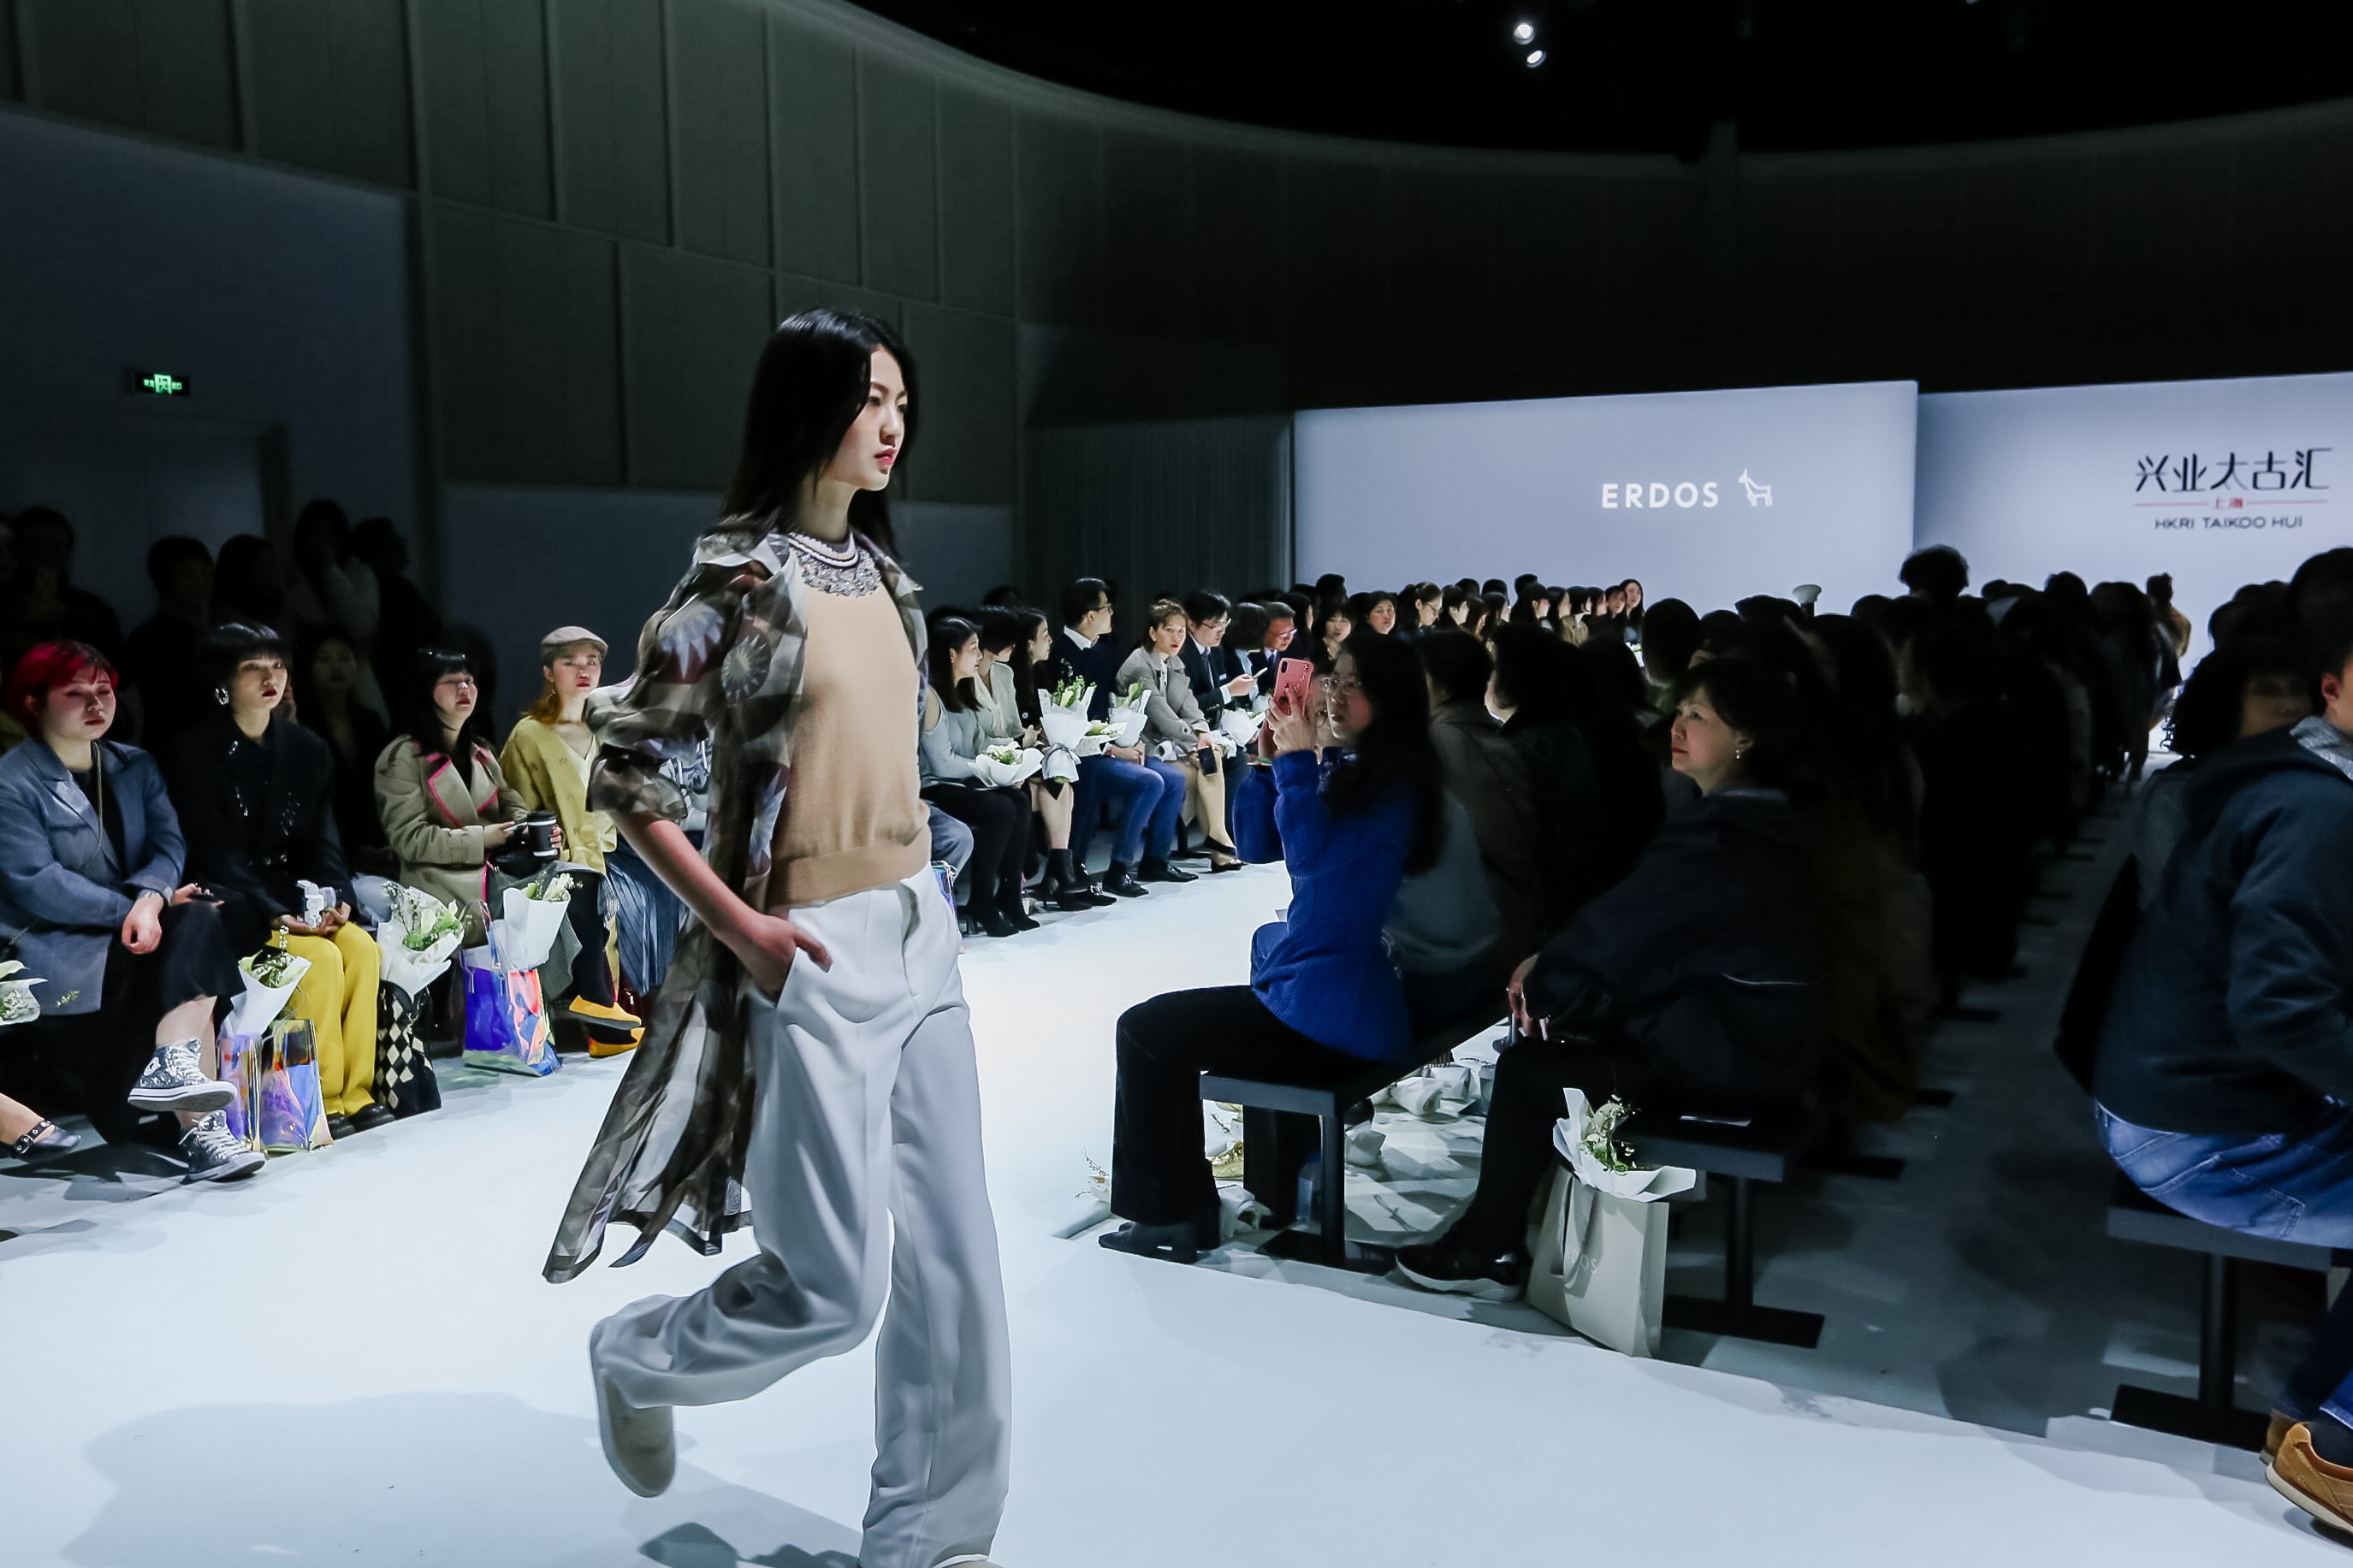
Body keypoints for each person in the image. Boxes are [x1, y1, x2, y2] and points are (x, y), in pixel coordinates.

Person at [548, 310, 1009, 1568]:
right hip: (809, 947)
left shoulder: (888, 580)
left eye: (901, 400)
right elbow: (627, 773)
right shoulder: (741, 582)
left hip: (921, 933)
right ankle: (637, 1356)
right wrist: (742, 924)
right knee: (832, 1290)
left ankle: (931, 1537)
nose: (892, 423)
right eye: (869, 397)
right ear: (807, 407)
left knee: (958, 1261)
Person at [1397, 656, 1825, 1299]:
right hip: (1763, 1041)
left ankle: (1487, 1247)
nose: (1677, 725)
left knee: (1527, 1071)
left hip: (1729, 1058)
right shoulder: (1767, 819)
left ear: (1745, 737)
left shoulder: (1725, 834)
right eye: (1680, 709)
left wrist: (1548, 981)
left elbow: (1623, 930)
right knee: (1570, 1035)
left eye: (1698, 715)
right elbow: (1640, 929)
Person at [2095, 610, 2353, 1529]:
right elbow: (2279, 1008)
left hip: (2180, 1094)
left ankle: (2312, 1419)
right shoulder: (2319, 807)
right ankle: (2337, 1449)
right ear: (2333, 690)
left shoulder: (2290, 779)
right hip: (2195, 1126)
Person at [1100, 629, 1446, 1262]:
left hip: (1334, 1011)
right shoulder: (1355, 770)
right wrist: (1266, 765)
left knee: (1146, 1031)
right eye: (1334, 678)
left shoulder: (1394, 786)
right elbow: (1256, 844)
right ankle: (1193, 1207)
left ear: (1392, 700)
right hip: (1318, 994)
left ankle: (1172, 1215)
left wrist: (1297, 762)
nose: (1334, 694)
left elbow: (1312, 859)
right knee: (1170, 1024)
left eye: (1355, 684)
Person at [0, 641, 259, 1180]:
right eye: (76, 693)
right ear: (32, 701)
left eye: (104, 690)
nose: (96, 704)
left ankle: (179, 1076)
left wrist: (151, 899)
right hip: (56, 949)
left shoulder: (133, 764)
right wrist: (133, 910)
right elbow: (36, 883)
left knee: (202, 916)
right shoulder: (11, 780)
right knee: (193, 940)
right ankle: (201, 1130)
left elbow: (168, 845)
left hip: (135, 931)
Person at [160, 624, 386, 1135]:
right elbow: (214, 852)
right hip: (233, 901)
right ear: (223, 680)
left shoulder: (307, 748)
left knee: (361, 948)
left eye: (278, 666)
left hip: (294, 895)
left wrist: (339, 899)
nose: (271, 679)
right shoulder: (191, 752)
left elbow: (323, 841)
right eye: (252, 668)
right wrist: (275, 912)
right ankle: (319, 1098)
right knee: (319, 960)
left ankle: (356, 1091)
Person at [501, 627, 641, 1048]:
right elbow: (516, 809)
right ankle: (595, 1019)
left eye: (591, 662)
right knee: (586, 900)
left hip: (615, 856)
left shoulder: (611, 730)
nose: (583, 671)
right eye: (570, 662)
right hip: (559, 861)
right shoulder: (529, 735)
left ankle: (611, 1016)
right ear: (549, 672)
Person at [374, 649, 529, 943]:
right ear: (426, 691)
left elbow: (509, 801)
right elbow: (410, 839)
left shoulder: (482, 752)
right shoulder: (402, 757)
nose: (464, 689)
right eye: (451, 682)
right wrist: (481, 839)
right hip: (436, 887)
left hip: (493, 877)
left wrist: (529, 827)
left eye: (469, 681)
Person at [1050, 577, 1179, 896]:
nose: (1112, 613)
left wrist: (1131, 740)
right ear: (1090, 615)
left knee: (1172, 779)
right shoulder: (1059, 654)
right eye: (1107, 608)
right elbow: (1062, 719)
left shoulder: (1101, 652)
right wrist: (1111, 748)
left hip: (1106, 746)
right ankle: (1106, 869)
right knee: (1148, 782)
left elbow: (1111, 706)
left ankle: (1152, 860)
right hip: (1075, 753)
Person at [1420, 630, 1542, 966]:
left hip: (1466, 941)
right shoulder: (1502, 740)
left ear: (1439, 687)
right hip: (1516, 926)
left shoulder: (1431, 745)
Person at [921, 615, 1037, 936]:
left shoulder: (963, 690)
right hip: (935, 787)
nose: (979, 655)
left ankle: (1010, 894)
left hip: (963, 781)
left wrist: (1012, 757)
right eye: (973, 648)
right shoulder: (930, 697)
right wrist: (991, 771)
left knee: (1018, 799)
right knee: (1000, 809)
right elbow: (942, 764)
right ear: (951, 654)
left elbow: (979, 742)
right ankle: (982, 899)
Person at [1118, 599, 1237, 873]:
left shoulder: (1174, 662)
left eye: (1181, 631)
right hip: (1141, 745)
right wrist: (1195, 741)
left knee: (1210, 756)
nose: (1177, 637)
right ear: (1153, 632)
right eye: (1169, 630)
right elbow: (1162, 715)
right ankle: (1218, 844)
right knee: (1200, 768)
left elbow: (1189, 706)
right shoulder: (1139, 664)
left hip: (1169, 743)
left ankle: (1218, 840)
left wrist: (1203, 733)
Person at [991, 606, 1096, 911]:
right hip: (1010, 766)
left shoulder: (1037, 675)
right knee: (1055, 783)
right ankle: (1059, 872)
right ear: (1028, 644)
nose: (1051, 641)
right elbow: (1012, 733)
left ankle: (1061, 869)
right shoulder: (1009, 679)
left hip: (1031, 762)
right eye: (1045, 635)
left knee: (1062, 781)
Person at [291, 625, 394, 880]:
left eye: (345, 658)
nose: (336, 667)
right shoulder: (301, 725)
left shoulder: (369, 722)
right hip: (329, 848)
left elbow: (385, 785)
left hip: (379, 842)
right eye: (324, 659)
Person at [121, 536, 216, 747]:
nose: (200, 582)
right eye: (187, 574)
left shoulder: (219, 630)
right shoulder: (150, 639)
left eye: (205, 573)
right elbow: (179, 700)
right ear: (164, 582)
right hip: (176, 745)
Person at [211, 534, 287, 630]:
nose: (270, 574)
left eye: (271, 565)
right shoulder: (228, 623)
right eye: (260, 566)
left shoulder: (279, 612)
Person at [1307, 600, 1354, 674]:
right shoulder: (1313, 647)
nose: (1337, 627)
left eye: (1344, 621)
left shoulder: (1353, 650)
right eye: (1332, 620)